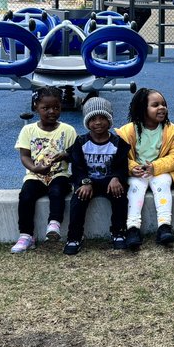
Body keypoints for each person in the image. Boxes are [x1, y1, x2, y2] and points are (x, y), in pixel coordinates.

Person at [115, 88, 174, 248]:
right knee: (134, 186)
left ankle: (164, 226)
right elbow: (120, 157)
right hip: (137, 173)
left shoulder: (170, 130)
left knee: (162, 182)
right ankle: (132, 228)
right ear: (142, 109)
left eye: (163, 104)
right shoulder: (128, 131)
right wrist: (132, 168)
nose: (161, 108)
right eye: (155, 105)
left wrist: (155, 167)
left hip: (160, 172)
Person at [11, 86, 77, 253]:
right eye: (45, 108)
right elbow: (25, 155)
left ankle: (54, 225)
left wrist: (64, 156)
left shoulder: (68, 131)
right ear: (36, 107)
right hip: (35, 175)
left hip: (59, 173)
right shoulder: (28, 130)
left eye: (56, 107)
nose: (51, 112)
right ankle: (26, 235)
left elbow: (75, 155)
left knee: (57, 190)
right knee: (26, 196)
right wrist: (35, 168)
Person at [64, 97, 129, 256]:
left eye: (102, 118)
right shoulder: (80, 142)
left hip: (109, 181)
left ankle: (118, 232)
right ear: (87, 122)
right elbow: (78, 167)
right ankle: (75, 237)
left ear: (110, 119)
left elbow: (122, 166)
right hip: (88, 181)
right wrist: (85, 182)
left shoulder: (117, 143)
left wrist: (116, 178)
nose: (98, 122)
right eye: (93, 119)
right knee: (78, 199)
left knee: (120, 196)